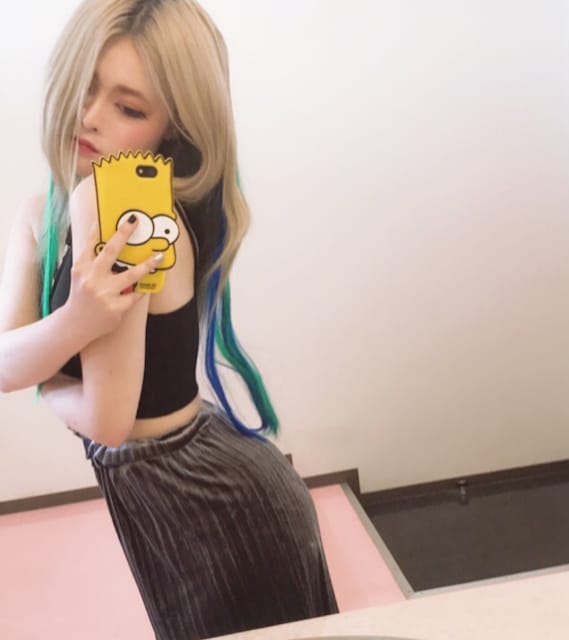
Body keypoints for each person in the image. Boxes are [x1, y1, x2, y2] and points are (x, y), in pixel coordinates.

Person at [0, 0, 338, 638]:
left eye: (129, 109)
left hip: (208, 497)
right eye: (85, 86)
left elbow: (106, 419)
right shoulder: (41, 209)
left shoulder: (125, 211)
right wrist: (72, 327)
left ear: (170, 131)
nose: (90, 117)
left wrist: (47, 365)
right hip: (174, 489)